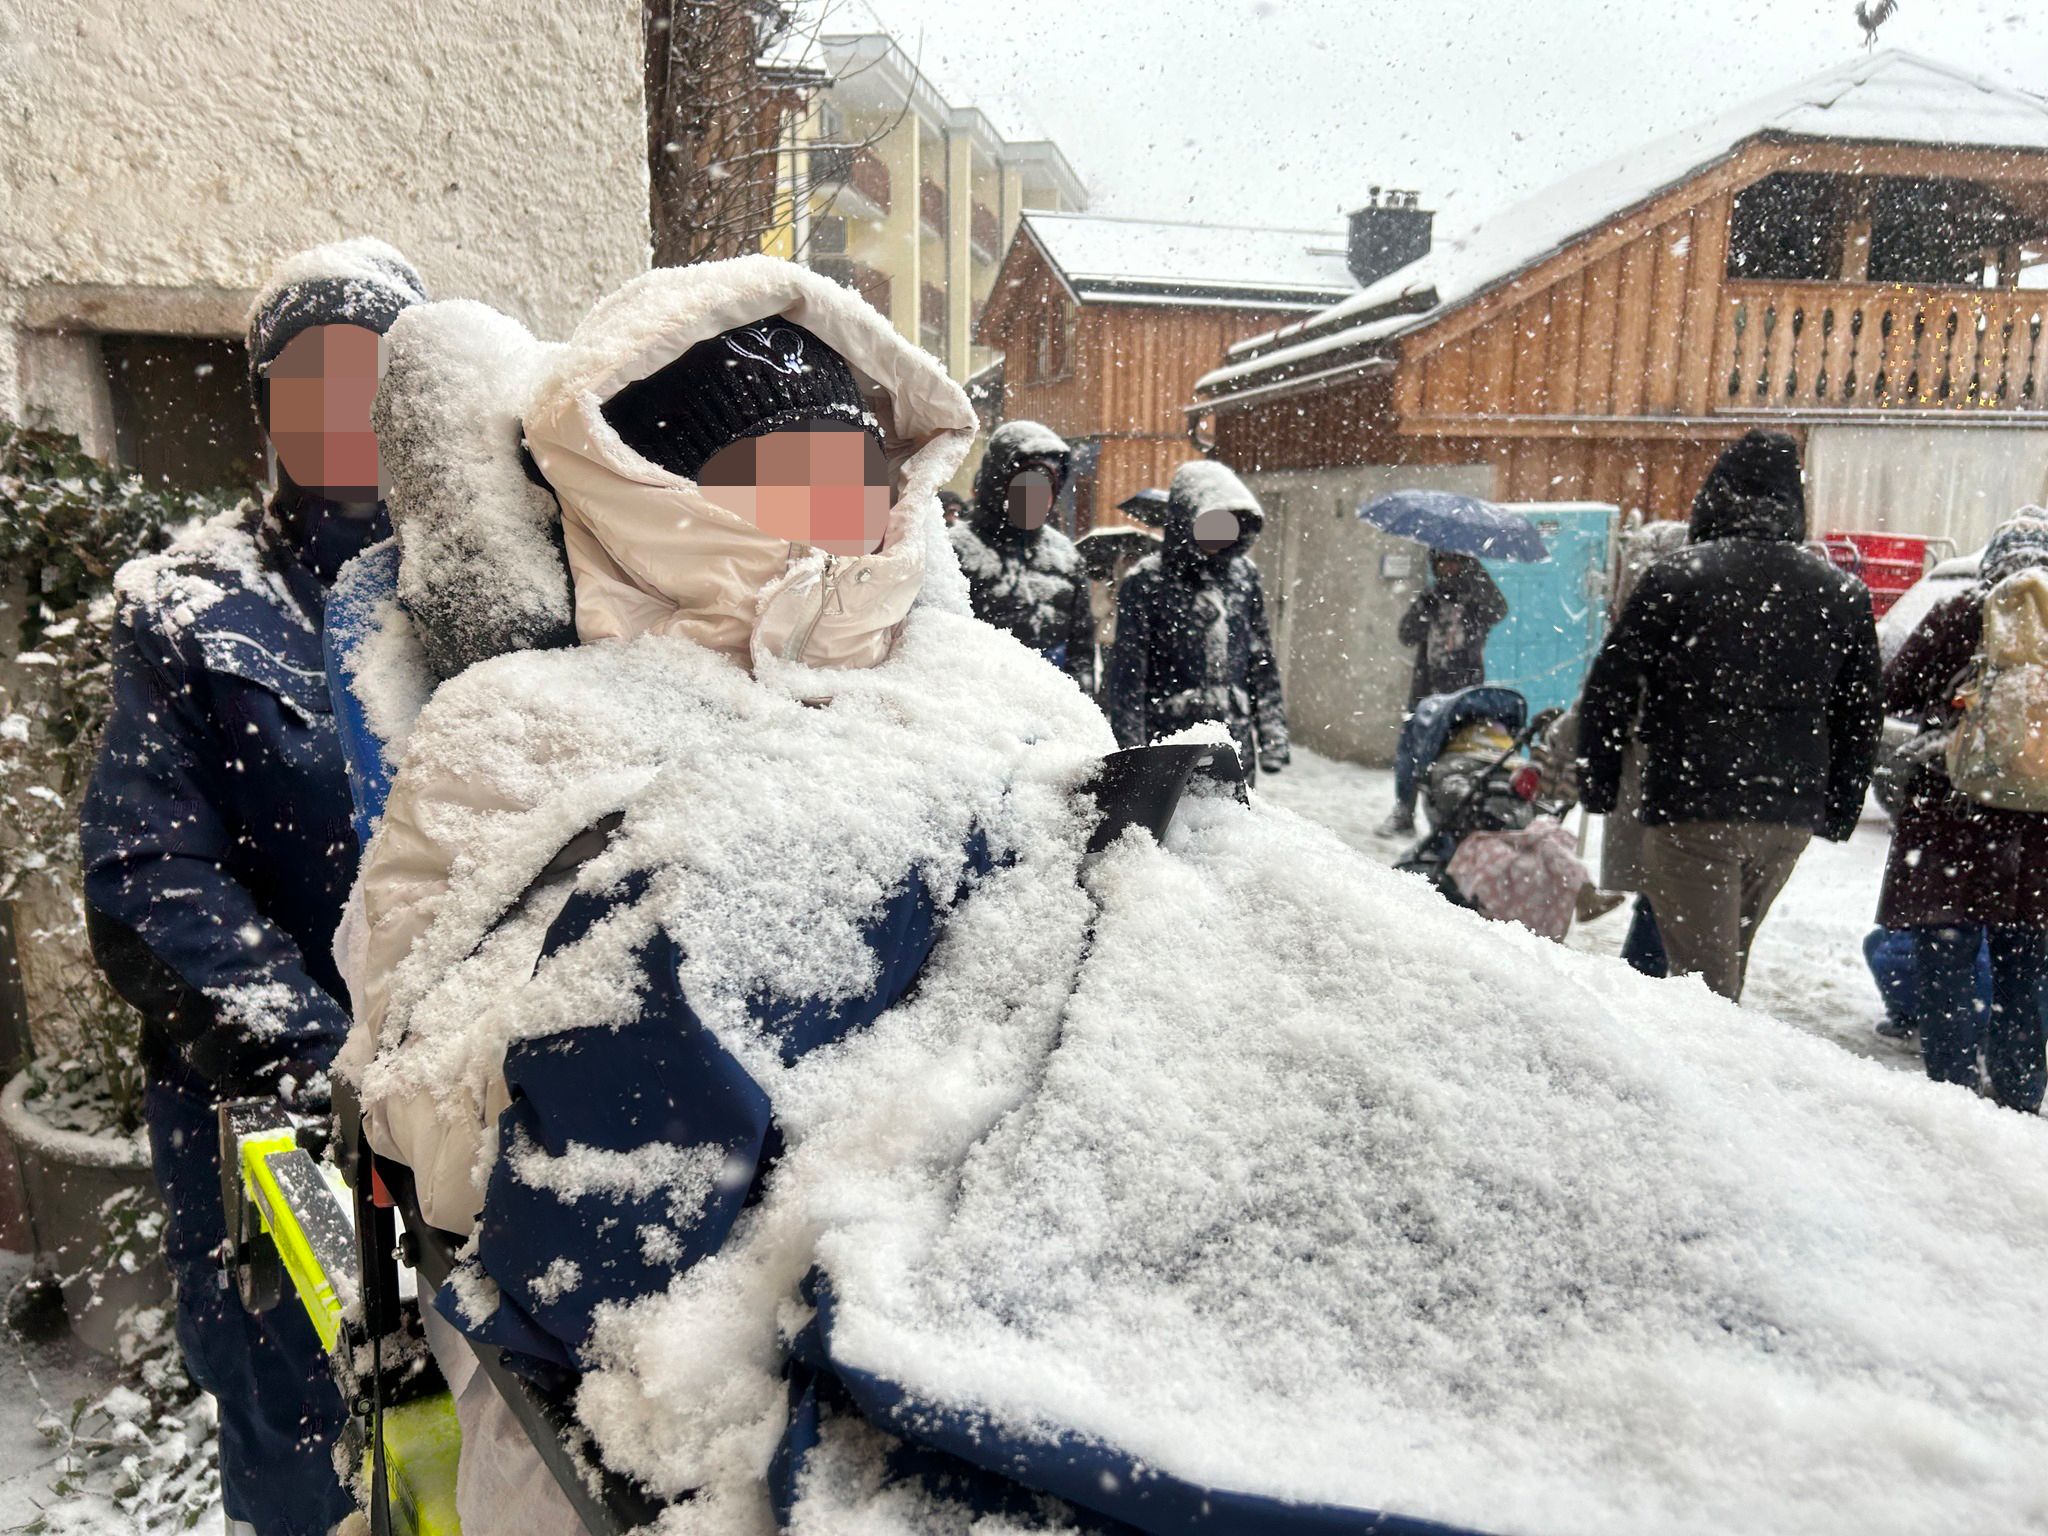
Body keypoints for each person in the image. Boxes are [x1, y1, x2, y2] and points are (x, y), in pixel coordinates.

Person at [335, 257, 1116, 1529]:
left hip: (1016, 1288)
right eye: (778, 465)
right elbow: (414, 1086)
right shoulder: (520, 725)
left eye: (854, 465)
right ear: (645, 480)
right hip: (642, 1375)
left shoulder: (1013, 697)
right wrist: (675, 989)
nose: (835, 499)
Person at [79, 238, 426, 1536]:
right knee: (306, 1445)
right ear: (267, 405)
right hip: (273, 1124)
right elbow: (142, 867)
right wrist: (300, 1049)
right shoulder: (188, 605)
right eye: (308, 378)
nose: (341, 408)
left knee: (473, 1447)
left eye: (373, 377)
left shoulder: (481, 584)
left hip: (451, 1114)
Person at [1577, 429, 1882, 1002]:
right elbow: (1860, 714)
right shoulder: (1840, 592)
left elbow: (1610, 687)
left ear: (1714, 497)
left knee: (1702, 993)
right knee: (1721, 973)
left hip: (1693, 803)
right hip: (1786, 813)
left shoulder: (1678, 577)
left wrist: (1599, 782)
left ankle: (1682, 1084)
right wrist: (1838, 804)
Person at [1876, 511, 2048, 1111]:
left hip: (1952, 822)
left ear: (1991, 563)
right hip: (2037, 836)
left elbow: (1893, 690)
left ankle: (1952, 1102)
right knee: (2026, 969)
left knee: (1947, 963)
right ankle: (2021, 1098)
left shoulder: (1962, 611)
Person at [1105, 459, 1288, 784]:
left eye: (1228, 524)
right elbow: (1127, 677)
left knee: (1233, 830)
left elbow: (1260, 658)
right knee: (1175, 830)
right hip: (1171, 744)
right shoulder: (1148, 581)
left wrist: (1272, 735)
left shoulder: (1244, 577)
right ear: (1186, 520)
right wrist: (1131, 754)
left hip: (1234, 745)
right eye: (1210, 523)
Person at [950, 419, 1096, 691]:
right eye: (1025, 486)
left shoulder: (1065, 557)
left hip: (1053, 714)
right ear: (999, 487)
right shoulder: (954, 552)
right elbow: (942, 650)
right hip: (980, 708)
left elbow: (1082, 651)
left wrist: (1080, 700)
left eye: (1045, 490)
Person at [1377, 548, 1508, 835]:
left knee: (1457, 756)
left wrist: (1474, 582)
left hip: (1464, 692)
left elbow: (1498, 609)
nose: (1446, 567)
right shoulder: (1432, 597)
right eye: (1441, 562)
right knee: (1410, 752)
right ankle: (1403, 812)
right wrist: (1426, 605)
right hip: (1426, 690)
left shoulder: (1477, 597)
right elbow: (1407, 634)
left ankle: (1453, 818)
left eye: (1453, 561)